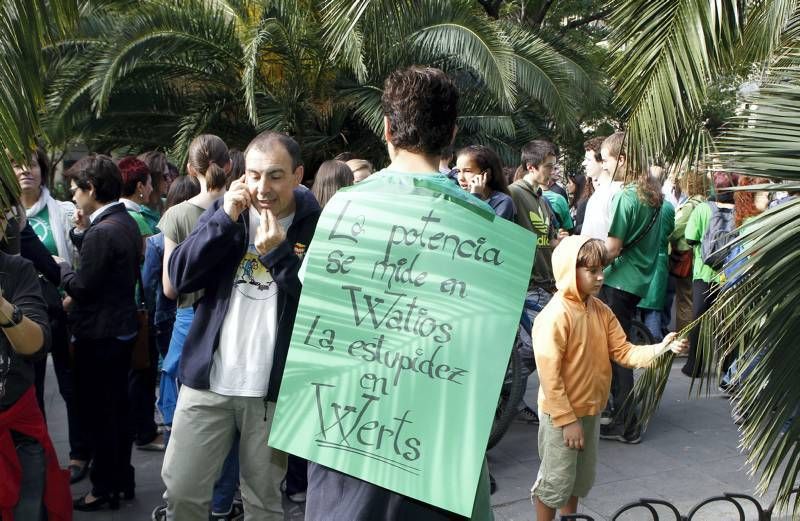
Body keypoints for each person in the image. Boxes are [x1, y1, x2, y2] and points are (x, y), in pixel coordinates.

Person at [304, 65, 493, 521]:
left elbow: (317, 311)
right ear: (450, 133)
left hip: (351, 433)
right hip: (441, 446)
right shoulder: (485, 226)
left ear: (386, 129)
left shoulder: (345, 207)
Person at [161, 130, 320, 520]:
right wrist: (222, 220)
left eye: (275, 175)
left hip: (270, 395)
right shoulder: (225, 214)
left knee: (264, 505)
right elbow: (179, 277)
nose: (262, 187)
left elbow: (318, 309)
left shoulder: (314, 225)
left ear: (298, 175)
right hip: (207, 383)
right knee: (182, 492)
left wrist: (279, 255)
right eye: (253, 175)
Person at [531, 236, 688, 521]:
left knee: (578, 479)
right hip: (561, 417)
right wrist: (567, 421)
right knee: (554, 482)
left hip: (590, 411)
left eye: (602, 268)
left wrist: (662, 348)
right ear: (569, 270)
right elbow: (549, 375)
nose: (600, 276)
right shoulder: (555, 316)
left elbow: (624, 351)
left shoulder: (600, 310)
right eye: (592, 271)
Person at [61, 155, 141, 510]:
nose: (74, 198)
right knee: (118, 411)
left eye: (76, 190)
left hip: (99, 336)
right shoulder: (123, 221)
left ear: (91, 189)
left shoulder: (104, 230)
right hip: (120, 331)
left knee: (100, 415)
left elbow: (84, 285)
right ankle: (121, 479)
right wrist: (80, 234)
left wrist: (60, 270)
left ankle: (103, 487)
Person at [12, 147, 91, 483]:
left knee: (70, 385)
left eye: (31, 164)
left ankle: (78, 453)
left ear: (43, 170)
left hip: (61, 310)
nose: (25, 171)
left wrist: (71, 294)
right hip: (21, 317)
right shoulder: (11, 214)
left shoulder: (63, 211)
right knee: (31, 390)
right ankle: (40, 459)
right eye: (17, 164)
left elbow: (78, 258)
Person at [597, 132, 665, 444]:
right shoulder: (654, 195)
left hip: (619, 280)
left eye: (606, 159)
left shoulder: (626, 197)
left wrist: (583, 256)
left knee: (618, 352)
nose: (604, 165)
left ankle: (627, 422)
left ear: (621, 159)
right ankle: (624, 417)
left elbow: (612, 248)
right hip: (639, 280)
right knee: (621, 347)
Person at [508, 139, 565, 424]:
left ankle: (509, 399)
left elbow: (548, 237)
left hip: (545, 283)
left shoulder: (541, 197)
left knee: (540, 345)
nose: (553, 172)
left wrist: (559, 242)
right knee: (535, 347)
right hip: (528, 284)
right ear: (531, 166)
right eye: (549, 167)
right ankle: (505, 394)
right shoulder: (515, 194)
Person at [681, 173, 736, 377]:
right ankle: (728, 368)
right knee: (727, 322)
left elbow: (690, 238)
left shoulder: (703, 209)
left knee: (699, 321)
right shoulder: (740, 211)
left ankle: (694, 366)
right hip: (728, 275)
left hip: (703, 274)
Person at [636, 176, 676, 341]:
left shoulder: (641, 206)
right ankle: (656, 350)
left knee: (637, 309)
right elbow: (671, 231)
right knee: (655, 308)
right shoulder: (668, 207)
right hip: (660, 261)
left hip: (641, 259)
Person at [668, 172, 706, 333]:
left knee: (685, 301)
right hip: (702, 258)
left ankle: (685, 340)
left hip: (687, 259)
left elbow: (675, 230)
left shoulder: (690, 206)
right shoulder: (707, 203)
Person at [455, 144, 515, 221]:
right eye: (458, 171)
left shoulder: (502, 201)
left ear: (486, 173)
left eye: (467, 171)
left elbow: (482, 228)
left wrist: (475, 196)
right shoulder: (455, 196)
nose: (460, 178)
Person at [581, 135, 621, 240]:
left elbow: (593, 239)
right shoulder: (622, 189)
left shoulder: (603, 195)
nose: (583, 163)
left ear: (602, 162)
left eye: (588, 160)